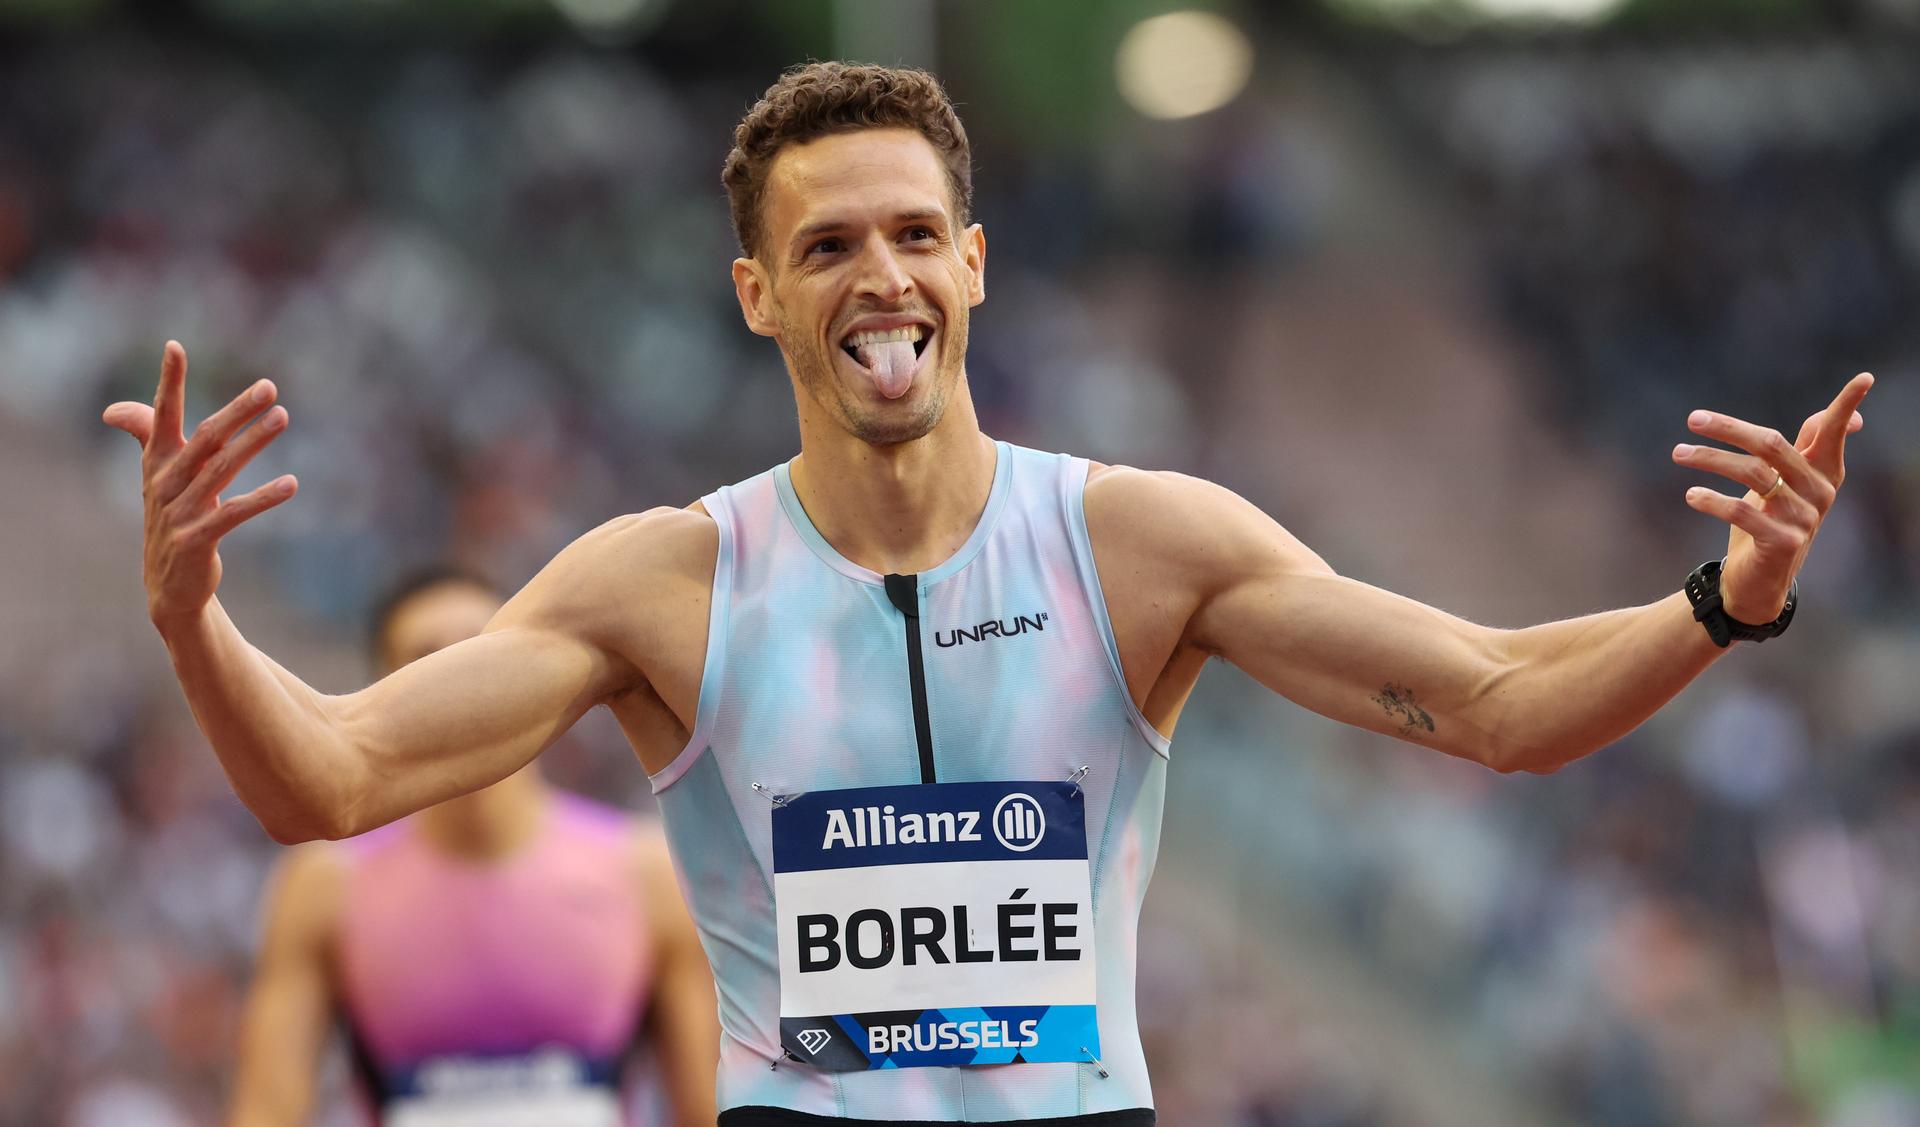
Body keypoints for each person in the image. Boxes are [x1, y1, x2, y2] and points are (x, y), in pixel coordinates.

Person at [103, 62, 1872, 1127]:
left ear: (971, 262)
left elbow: (1493, 697)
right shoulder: (665, 579)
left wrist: (1724, 600)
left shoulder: (1140, 541)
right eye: (824, 245)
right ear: (753, 295)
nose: (877, 275)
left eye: (908, 233)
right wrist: (193, 620)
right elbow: (327, 778)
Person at [224, 569, 718, 1127]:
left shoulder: (645, 873)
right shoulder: (325, 887)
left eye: (479, 651)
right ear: (380, 693)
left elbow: (705, 1108)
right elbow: (266, 1111)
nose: (455, 681)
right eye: (424, 659)